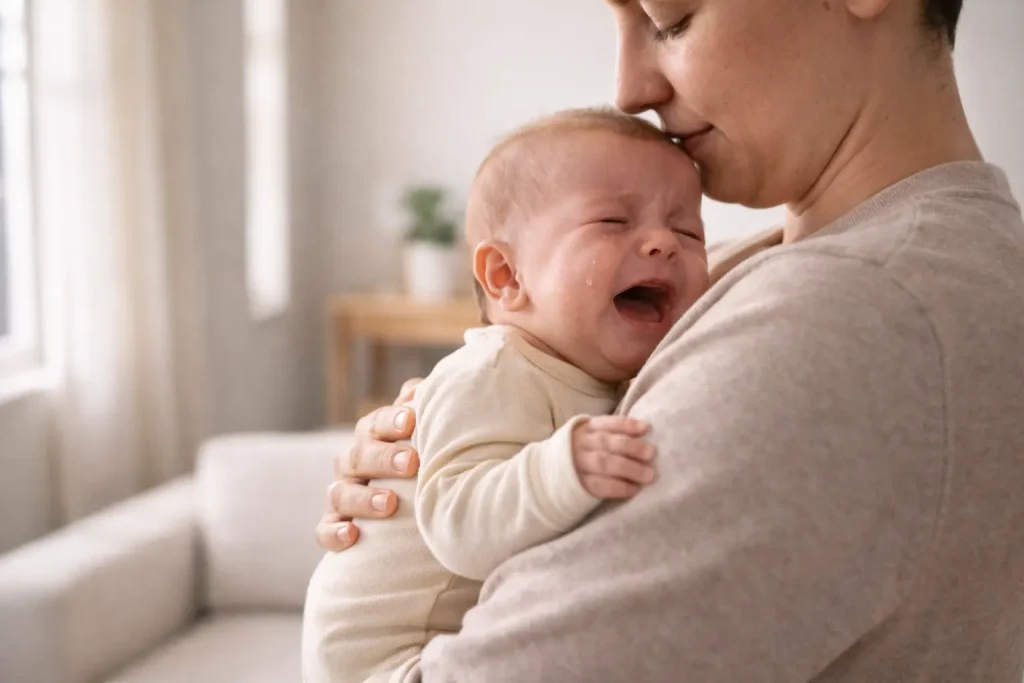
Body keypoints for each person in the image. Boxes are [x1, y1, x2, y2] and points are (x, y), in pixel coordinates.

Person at [316, 0, 1024, 680]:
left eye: (671, 20)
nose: (628, 90)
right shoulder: (807, 266)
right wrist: (418, 479)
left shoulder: (848, 315)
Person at [303, 108, 709, 683]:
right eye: (614, 221)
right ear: (506, 277)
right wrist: (562, 465)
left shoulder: (605, 372)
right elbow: (460, 527)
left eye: (689, 230)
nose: (665, 243)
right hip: (388, 663)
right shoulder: (490, 373)